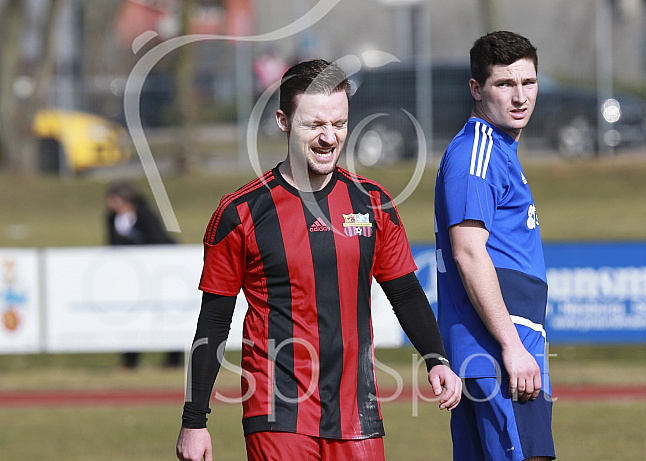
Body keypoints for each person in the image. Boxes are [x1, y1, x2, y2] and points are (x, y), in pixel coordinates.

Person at [176, 59, 462, 461]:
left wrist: (437, 359)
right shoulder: (240, 213)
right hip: (278, 413)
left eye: (339, 124)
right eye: (315, 125)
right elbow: (215, 320)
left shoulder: (373, 204)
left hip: (357, 413)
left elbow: (406, 293)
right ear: (283, 121)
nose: (329, 137)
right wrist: (195, 420)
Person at [434, 31, 556, 461]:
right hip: (498, 347)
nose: (519, 96)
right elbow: (469, 252)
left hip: (503, 344)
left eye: (528, 82)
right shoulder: (477, 152)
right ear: (476, 89)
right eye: (504, 84)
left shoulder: (500, 149)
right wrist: (512, 346)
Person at [105, 181, 183, 369]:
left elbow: (157, 240)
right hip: (131, 276)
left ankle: (173, 360)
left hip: (159, 272)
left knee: (166, 314)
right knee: (130, 316)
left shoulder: (145, 215)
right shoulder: (111, 218)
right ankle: (130, 361)